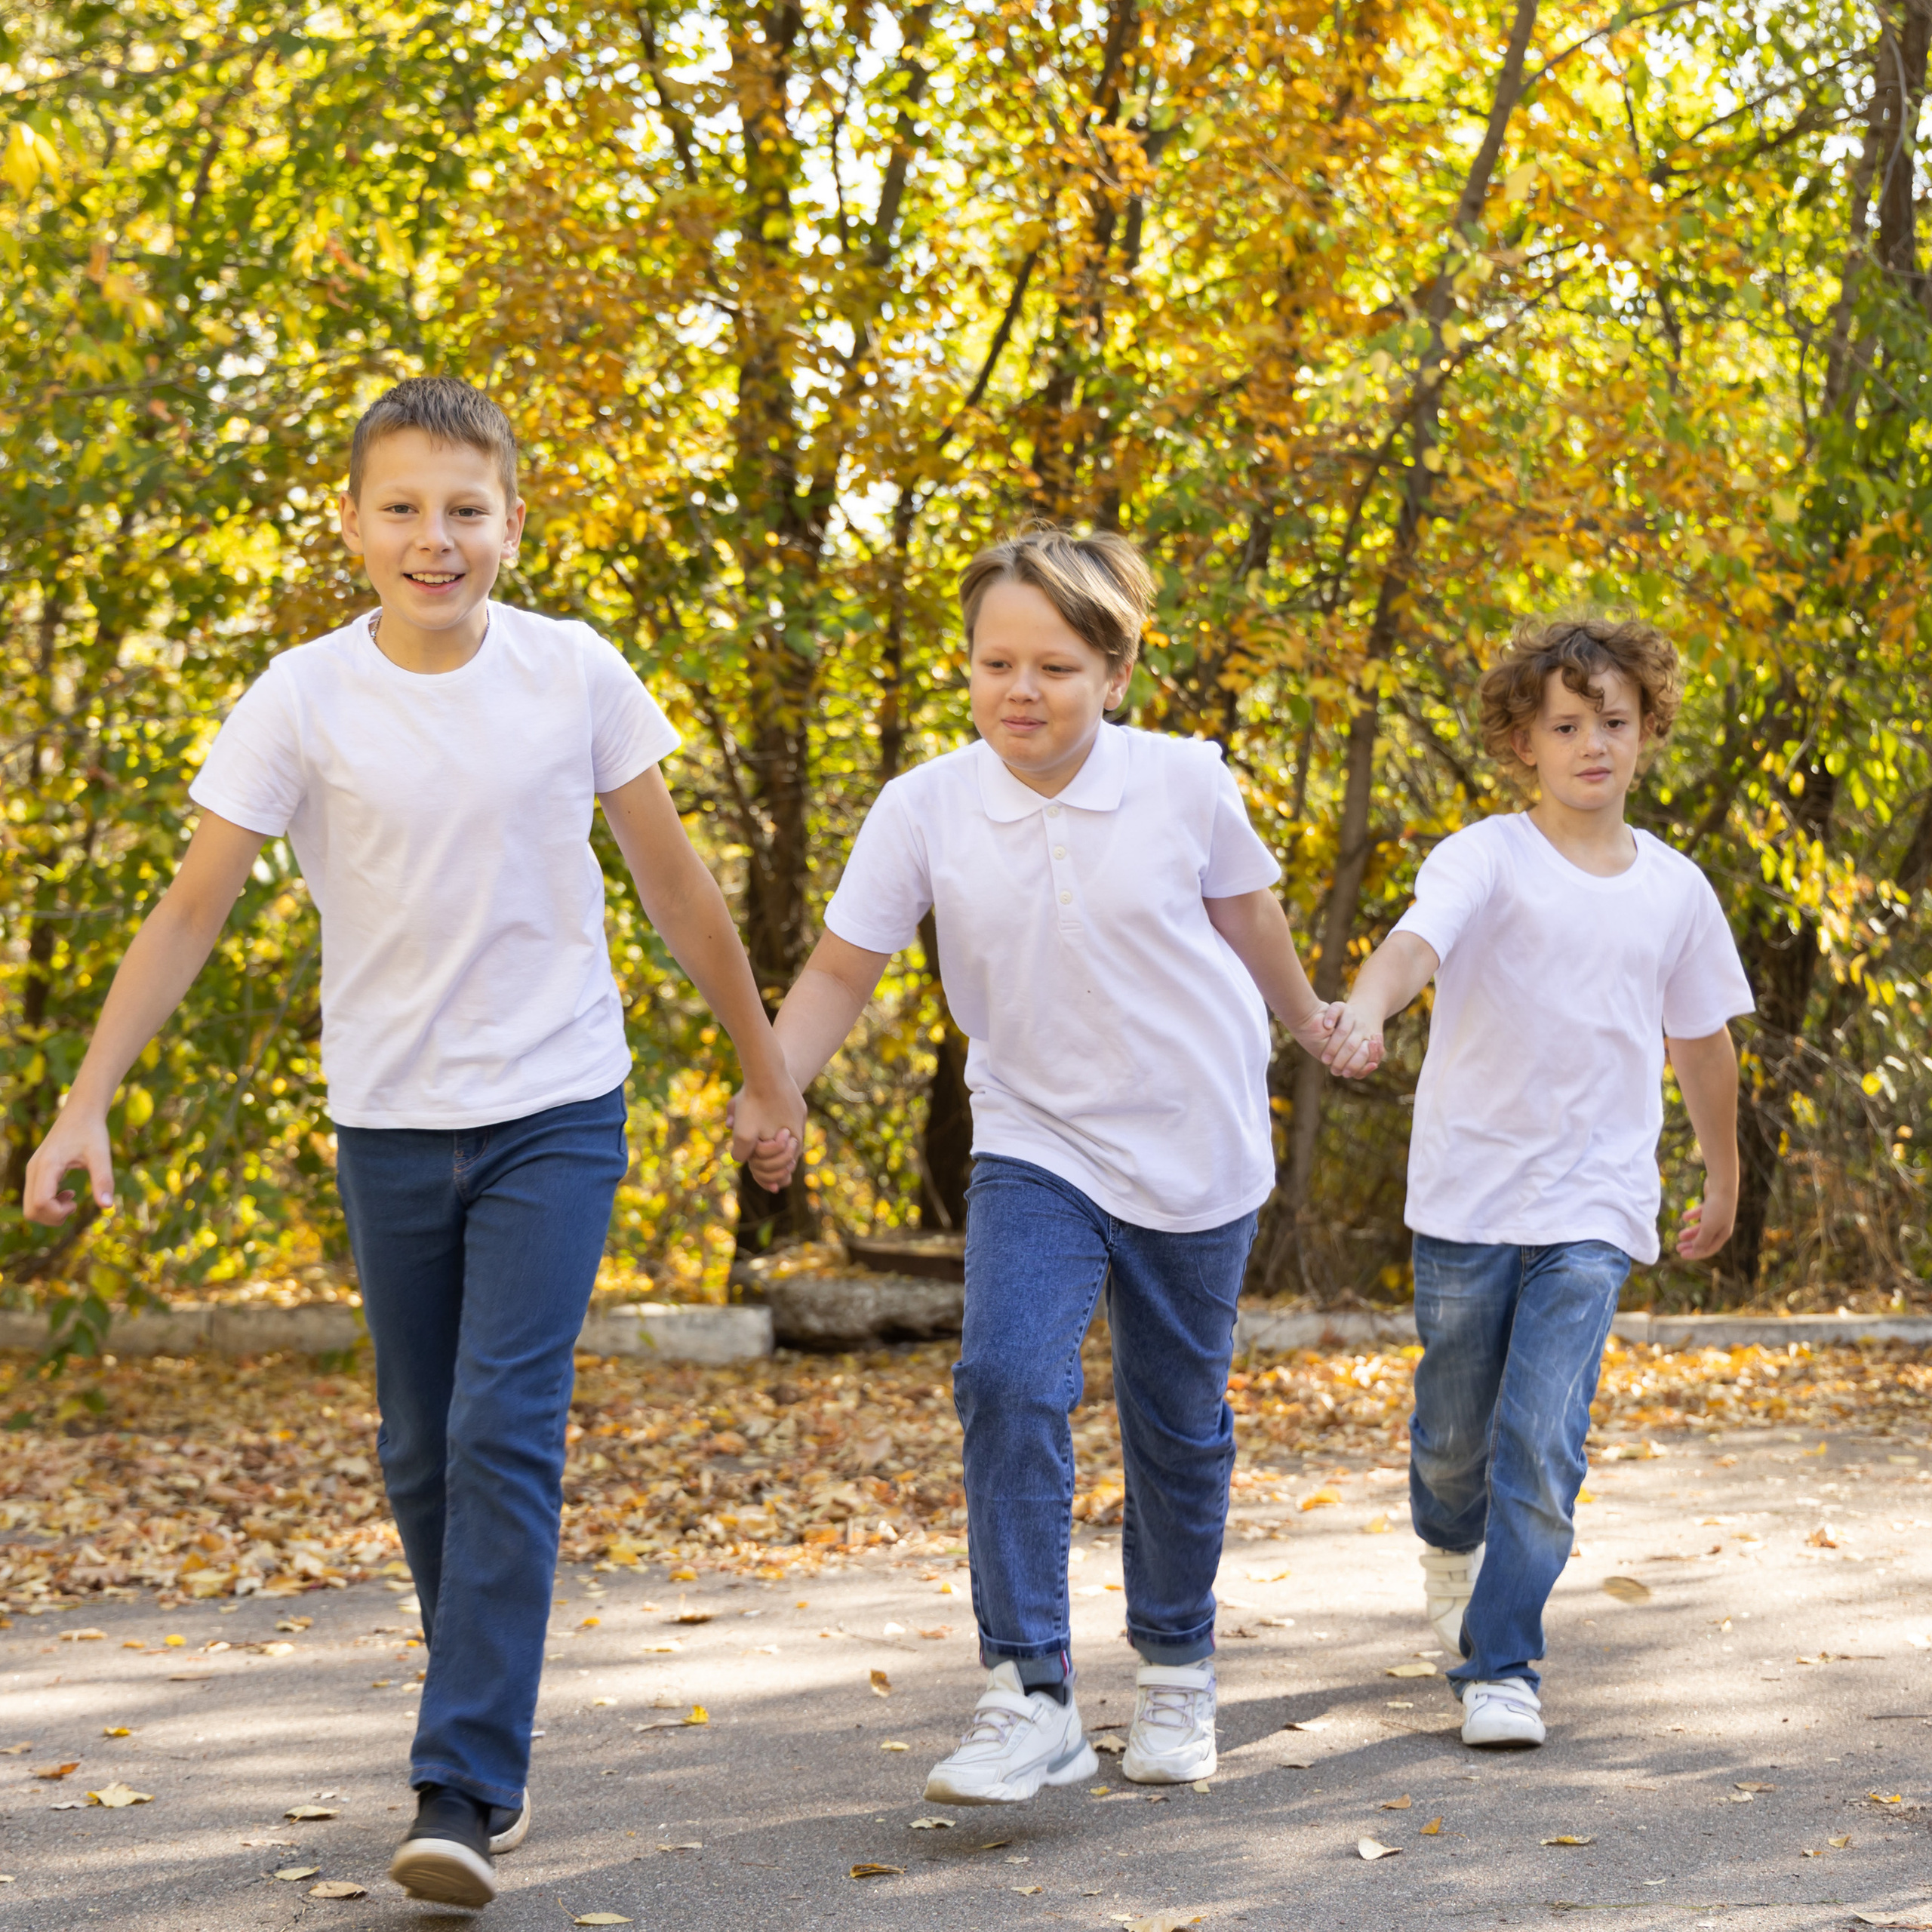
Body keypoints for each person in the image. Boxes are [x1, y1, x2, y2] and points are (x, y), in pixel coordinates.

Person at [21, 377, 805, 1906]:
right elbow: (195, 902)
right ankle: (481, 1722)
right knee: (416, 1443)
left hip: (555, 1106)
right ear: (352, 522)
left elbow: (677, 886)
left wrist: (765, 1072)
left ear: (511, 519)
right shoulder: (300, 695)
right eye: (402, 508)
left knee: (500, 1421)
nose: (433, 538)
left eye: (464, 508)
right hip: (387, 1116)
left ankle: (460, 1780)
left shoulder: (574, 671)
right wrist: (86, 1097)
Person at [742, 525, 1338, 1803]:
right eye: (995, 663)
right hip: (1034, 1136)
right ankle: (1031, 1694)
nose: (1022, 690)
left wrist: (1310, 1024)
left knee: (1175, 1422)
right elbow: (846, 968)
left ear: (1115, 672)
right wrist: (775, 1083)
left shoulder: (1185, 783)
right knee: (1008, 1378)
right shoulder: (925, 807)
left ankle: (1177, 1670)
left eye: (1057, 667)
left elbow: (1251, 922)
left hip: (1194, 1140)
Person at [1321, 614, 1752, 1749]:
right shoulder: (1484, 857)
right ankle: (1450, 1559)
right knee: (1455, 1437)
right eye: (1566, 724)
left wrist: (1723, 1175)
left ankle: (1504, 1660)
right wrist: (1365, 1008)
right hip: (1470, 1192)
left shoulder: (1676, 890)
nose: (1592, 743)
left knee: (1543, 1434)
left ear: (1647, 728)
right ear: (1524, 742)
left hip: (1597, 1201)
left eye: (1614, 720)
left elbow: (1702, 1044)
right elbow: (1417, 945)